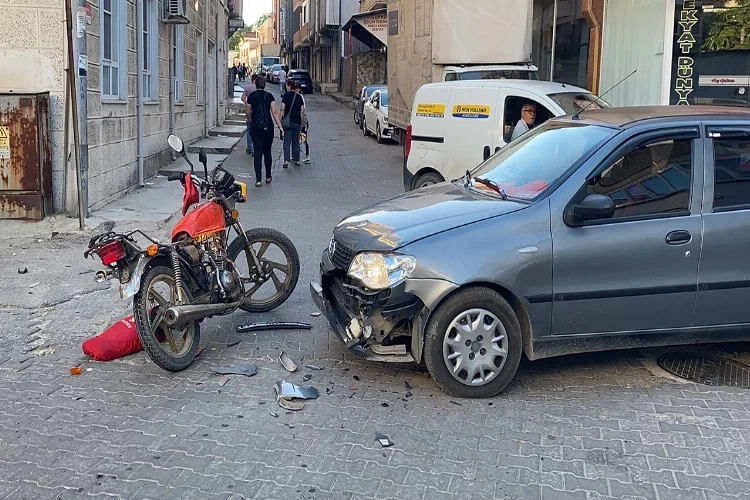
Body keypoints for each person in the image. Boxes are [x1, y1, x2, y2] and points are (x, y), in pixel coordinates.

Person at [246, 76, 284, 186]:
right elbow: (274, 112)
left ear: (255, 85)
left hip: (256, 127)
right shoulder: (270, 96)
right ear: (265, 84)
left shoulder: (252, 96)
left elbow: (248, 112)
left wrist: (249, 120)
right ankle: (268, 176)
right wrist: (280, 126)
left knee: (258, 152)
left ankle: (258, 179)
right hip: (268, 127)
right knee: (267, 151)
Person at [280, 80, 305, 167]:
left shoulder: (286, 96)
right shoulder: (299, 97)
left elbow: (282, 109)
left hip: (288, 122)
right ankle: (297, 160)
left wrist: (279, 121)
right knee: (296, 141)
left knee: (286, 142)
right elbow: (302, 112)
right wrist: (301, 123)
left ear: (289, 86)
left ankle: (286, 161)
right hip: (297, 122)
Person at [241, 74, 258, 155]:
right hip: (257, 111)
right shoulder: (259, 87)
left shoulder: (248, 87)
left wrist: (247, 103)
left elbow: (242, 97)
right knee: (256, 130)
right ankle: (255, 149)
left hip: (249, 110)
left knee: (249, 130)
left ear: (252, 79)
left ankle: (249, 147)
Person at [295, 82, 311, 164]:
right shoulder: (298, 96)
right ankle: (296, 156)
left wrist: (302, 122)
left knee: (304, 138)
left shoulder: (300, 97)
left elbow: (302, 110)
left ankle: (307, 156)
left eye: (296, 89)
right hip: (300, 120)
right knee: (299, 138)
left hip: (302, 121)